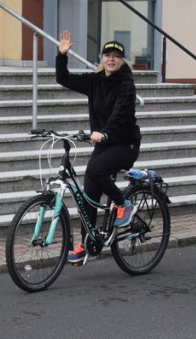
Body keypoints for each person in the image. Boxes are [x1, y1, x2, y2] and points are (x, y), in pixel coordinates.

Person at [55, 30, 141, 265]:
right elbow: (64, 79)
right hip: (104, 143)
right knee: (89, 193)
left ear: (123, 60)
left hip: (125, 144)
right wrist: (62, 55)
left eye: (116, 56)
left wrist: (104, 132)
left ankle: (124, 204)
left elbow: (120, 114)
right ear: (101, 58)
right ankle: (87, 243)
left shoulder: (126, 84)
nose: (111, 59)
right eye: (107, 55)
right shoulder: (95, 81)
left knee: (95, 172)